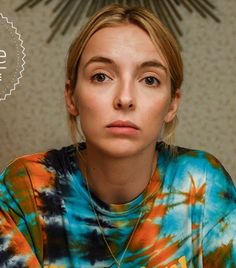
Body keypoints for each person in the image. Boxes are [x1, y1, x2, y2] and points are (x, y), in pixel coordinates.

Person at [0, 3, 235, 268]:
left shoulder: (201, 185)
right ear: (71, 97)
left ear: (172, 104)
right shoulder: (27, 188)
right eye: (101, 76)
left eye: (149, 79)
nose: (125, 98)